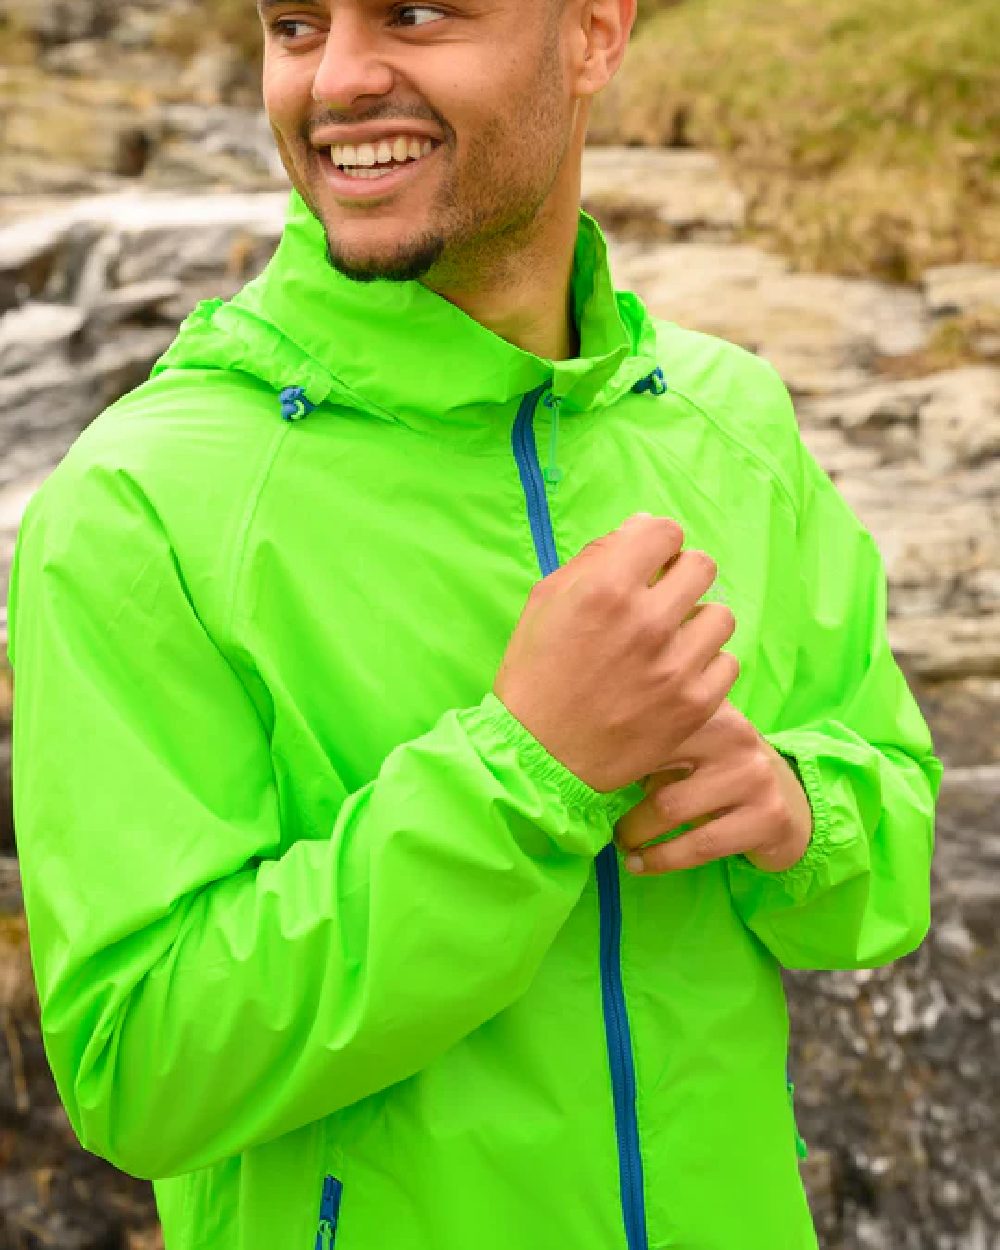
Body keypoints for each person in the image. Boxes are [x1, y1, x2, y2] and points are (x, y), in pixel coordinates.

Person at [6, 1, 941, 1247]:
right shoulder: (140, 505)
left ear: (592, 37)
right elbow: (138, 1066)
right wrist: (524, 773)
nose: (337, 77)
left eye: (416, 13)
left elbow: (890, 867)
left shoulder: (734, 423)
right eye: (295, 25)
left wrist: (794, 809)